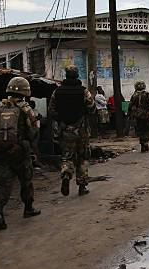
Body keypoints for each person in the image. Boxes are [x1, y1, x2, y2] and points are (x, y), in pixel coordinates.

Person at [0, 76, 41, 230]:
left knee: (4, 183)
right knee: (26, 181)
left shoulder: (0, 108)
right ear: (26, 91)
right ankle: (28, 208)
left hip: (3, 152)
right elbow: (33, 131)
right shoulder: (26, 109)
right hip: (20, 151)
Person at [48, 64, 96, 197]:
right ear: (77, 75)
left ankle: (66, 175)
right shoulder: (84, 91)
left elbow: (51, 111)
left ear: (66, 75)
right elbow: (92, 109)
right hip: (81, 131)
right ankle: (82, 186)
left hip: (65, 131)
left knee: (67, 157)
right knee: (82, 158)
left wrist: (62, 120)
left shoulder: (57, 92)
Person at [128, 81, 149, 152]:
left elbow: (130, 106)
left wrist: (131, 114)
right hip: (147, 116)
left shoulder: (134, 96)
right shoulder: (148, 95)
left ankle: (143, 144)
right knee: (147, 129)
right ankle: (146, 143)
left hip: (138, 116)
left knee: (140, 129)